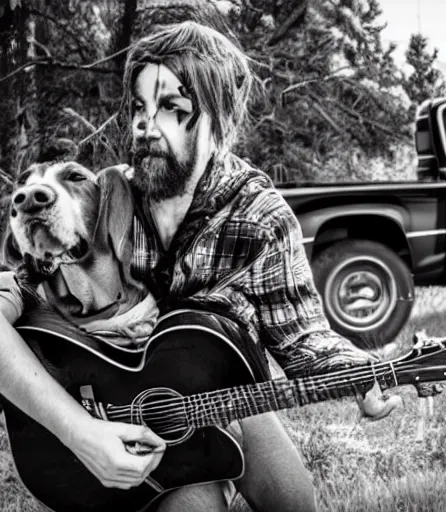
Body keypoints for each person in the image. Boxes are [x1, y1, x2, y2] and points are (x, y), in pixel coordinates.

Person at [0, 21, 402, 512]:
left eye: (172, 107)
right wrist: (81, 433)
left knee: (294, 500)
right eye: (139, 108)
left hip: (216, 399)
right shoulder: (112, 199)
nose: (147, 125)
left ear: (220, 119)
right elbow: (20, 284)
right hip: (112, 411)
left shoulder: (259, 218)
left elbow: (303, 338)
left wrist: (359, 372)